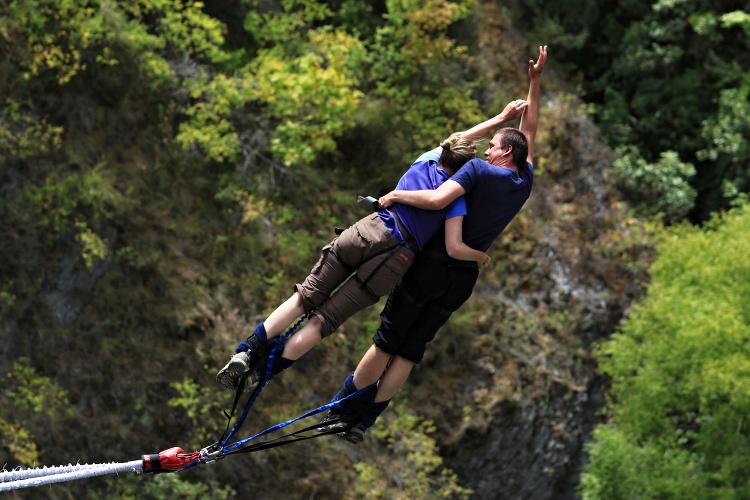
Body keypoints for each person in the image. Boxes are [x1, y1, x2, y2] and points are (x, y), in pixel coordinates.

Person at [215, 104, 526, 394]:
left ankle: (248, 351)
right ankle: (262, 374)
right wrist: (480, 256)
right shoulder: (457, 195)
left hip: (368, 232)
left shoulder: (427, 158)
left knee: (304, 297)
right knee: (324, 321)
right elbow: (452, 240)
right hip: (396, 258)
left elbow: (458, 139)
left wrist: (501, 118)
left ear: (444, 149)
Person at [323, 45, 547, 444]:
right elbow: (530, 132)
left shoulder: (477, 170)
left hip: (432, 265)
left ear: (505, 152)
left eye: (494, 145)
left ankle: (341, 407)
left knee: (387, 341)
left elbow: (438, 199)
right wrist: (534, 83)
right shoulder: (524, 181)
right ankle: (362, 422)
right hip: (459, 283)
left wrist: (395, 196)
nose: (487, 149)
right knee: (410, 351)